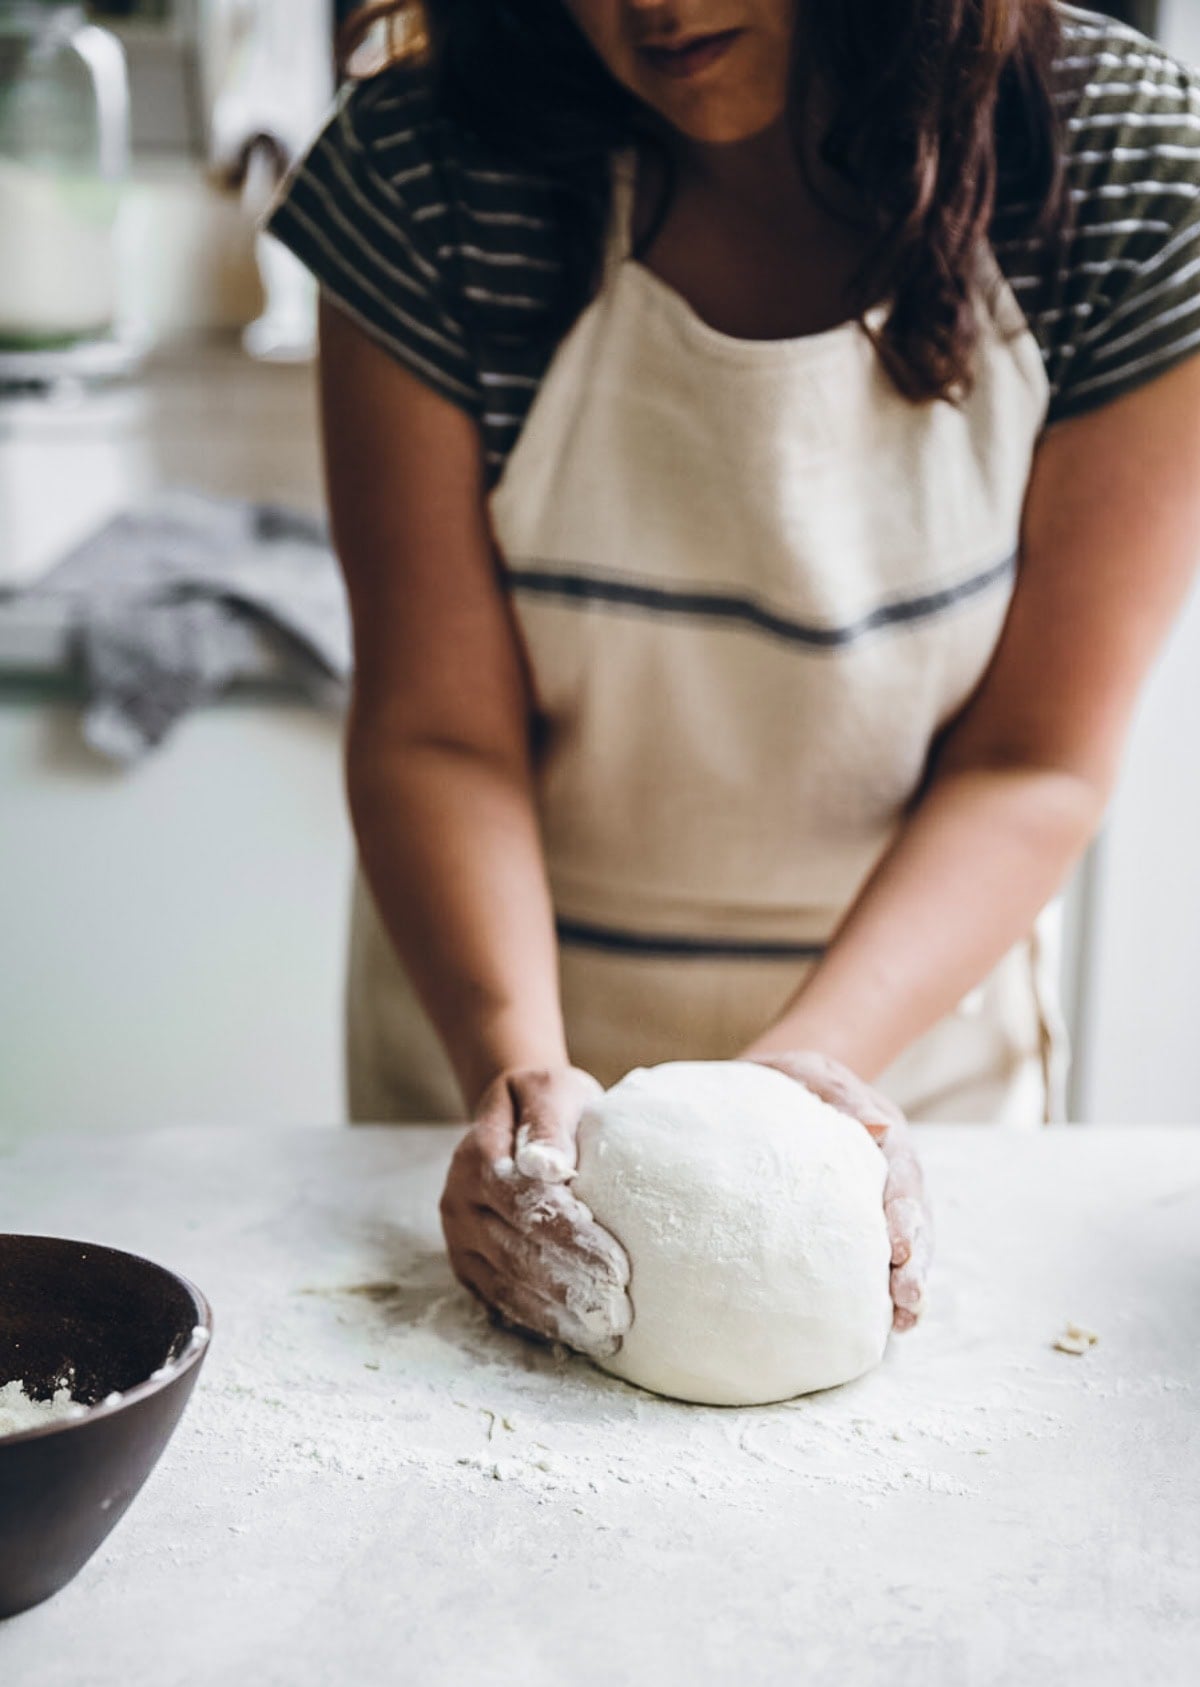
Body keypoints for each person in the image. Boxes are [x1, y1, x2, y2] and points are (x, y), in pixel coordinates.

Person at [268, 1, 1200, 1359]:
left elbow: (1034, 758)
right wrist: (519, 1086)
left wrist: (804, 1094)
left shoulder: (1104, 162)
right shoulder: (430, 164)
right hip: (503, 1059)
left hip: (903, 1074)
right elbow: (436, 732)